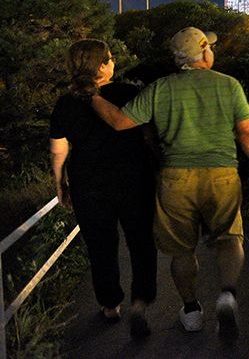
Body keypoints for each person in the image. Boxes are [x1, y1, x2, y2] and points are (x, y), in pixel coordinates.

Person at [91, 26, 249, 340]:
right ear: (203, 52)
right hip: (221, 174)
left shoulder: (160, 89)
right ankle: (227, 295)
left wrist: (92, 96)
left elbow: (120, 122)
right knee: (231, 239)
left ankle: (191, 310)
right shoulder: (228, 85)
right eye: (210, 47)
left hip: (175, 179)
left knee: (181, 252)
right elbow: (246, 133)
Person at [49, 39, 157, 340]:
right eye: (109, 58)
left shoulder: (65, 103)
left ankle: (111, 305)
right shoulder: (128, 93)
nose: (113, 63)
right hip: (134, 181)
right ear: (101, 65)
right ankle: (140, 302)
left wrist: (60, 184)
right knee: (141, 242)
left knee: (101, 248)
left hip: (89, 185)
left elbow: (58, 151)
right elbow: (149, 136)